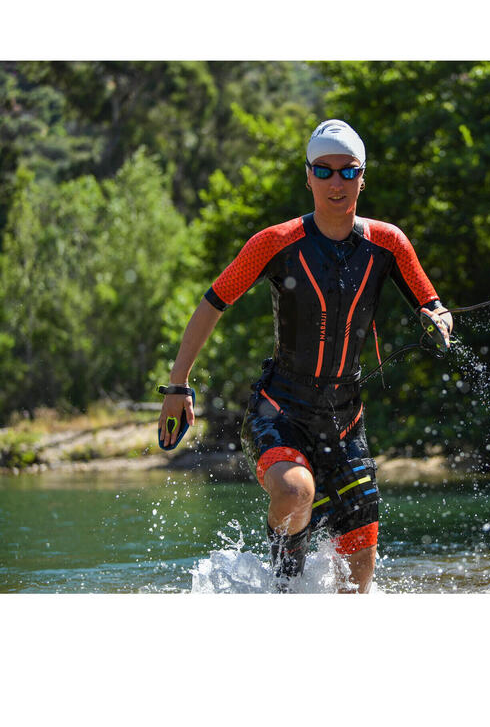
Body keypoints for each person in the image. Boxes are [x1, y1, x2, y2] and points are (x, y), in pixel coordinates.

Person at [158, 119, 453, 593]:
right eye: (324, 171)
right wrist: (178, 385)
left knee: (358, 585)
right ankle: (283, 590)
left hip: (344, 421)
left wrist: (438, 319)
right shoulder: (274, 243)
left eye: (347, 171)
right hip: (278, 411)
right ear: (309, 176)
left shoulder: (389, 243)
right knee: (296, 492)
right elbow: (212, 303)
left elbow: (432, 303)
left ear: (363, 175)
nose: (336, 183)